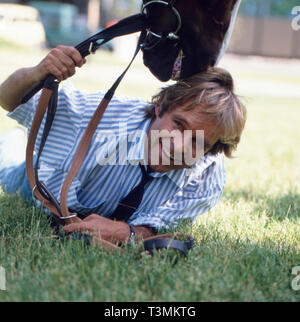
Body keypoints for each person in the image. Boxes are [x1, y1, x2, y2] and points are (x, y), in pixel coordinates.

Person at [0, 45, 246, 246]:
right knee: (7, 166)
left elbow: (160, 226)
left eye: (198, 141)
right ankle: (11, 141)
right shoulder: (96, 115)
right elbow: (8, 99)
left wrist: (125, 232)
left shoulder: (207, 175)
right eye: (179, 124)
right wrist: (37, 72)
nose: (179, 146)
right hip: (37, 181)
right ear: (160, 106)